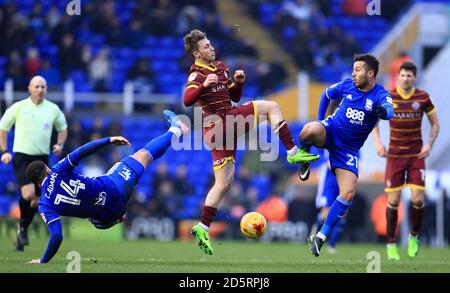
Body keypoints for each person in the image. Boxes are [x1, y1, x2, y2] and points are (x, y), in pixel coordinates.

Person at [182, 29, 319, 255]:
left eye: (210, 43)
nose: (212, 48)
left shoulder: (221, 67)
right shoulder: (196, 74)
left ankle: (203, 226)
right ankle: (293, 151)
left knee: (224, 183)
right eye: (206, 46)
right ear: (196, 53)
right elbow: (187, 100)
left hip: (221, 130)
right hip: (220, 123)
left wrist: (238, 83)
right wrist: (204, 85)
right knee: (271, 107)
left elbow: (233, 97)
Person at [25, 110, 188, 264]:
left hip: (106, 215)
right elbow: (83, 151)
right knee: (143, 155)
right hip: (115, 187)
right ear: (47, 168)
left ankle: (118, 217)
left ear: (35, 183)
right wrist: (109, 140)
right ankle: (176, 129)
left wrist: (43, 260)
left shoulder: (44, 204)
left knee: (94, 219)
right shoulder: (58, 170)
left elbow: (57, 237)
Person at [298, 54, 394, 257]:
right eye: (353, 69)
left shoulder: (380, 94)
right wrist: (320, 121)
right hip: (331, 131)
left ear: (370, 73)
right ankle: (304, 159)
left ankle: (320, 238)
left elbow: (389, 110)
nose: (353, 73)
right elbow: (326, 94)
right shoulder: (347, 85)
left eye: (358, 69)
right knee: (308, 130)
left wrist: (383, 112)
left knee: (348, 193)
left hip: (348, 150)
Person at [373, 61, 439, 261]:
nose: (406, 78)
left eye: (409, 75)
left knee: (418, 199)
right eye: (403, 75)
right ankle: (391, 243)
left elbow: (435, 124)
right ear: (398, 76)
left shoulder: (423, 97)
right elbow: (374, 121)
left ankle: (413, 236)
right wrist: (378, 144)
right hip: (394, 156)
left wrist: (429, 144)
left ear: (414, 78)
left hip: (416, 156)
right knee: (393, 202)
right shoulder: (389, 97)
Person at [0, 75, 68, 251]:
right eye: (37, 86)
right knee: (29, 194)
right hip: (22, 156)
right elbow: (3, 127)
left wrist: (60, 144)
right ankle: (22, 230)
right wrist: (4, 151)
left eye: (43, 87)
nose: (40, 90)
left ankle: (21, 233)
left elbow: (63, 128)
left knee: (36, 201)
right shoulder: (19, 107)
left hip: (41, 159)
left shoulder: (52, 109)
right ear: (29, 88)